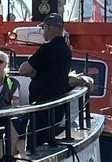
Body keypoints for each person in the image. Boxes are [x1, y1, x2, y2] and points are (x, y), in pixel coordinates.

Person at [18, 13, 73, 145]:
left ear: (48, 28)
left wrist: (32, 70)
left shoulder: (48, 48)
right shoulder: (66, 49)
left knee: (34, 144)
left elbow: (23, 70)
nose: (43, 31)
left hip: (43, 106)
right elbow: (51, 72)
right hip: (57, 104)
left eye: (43, 28)